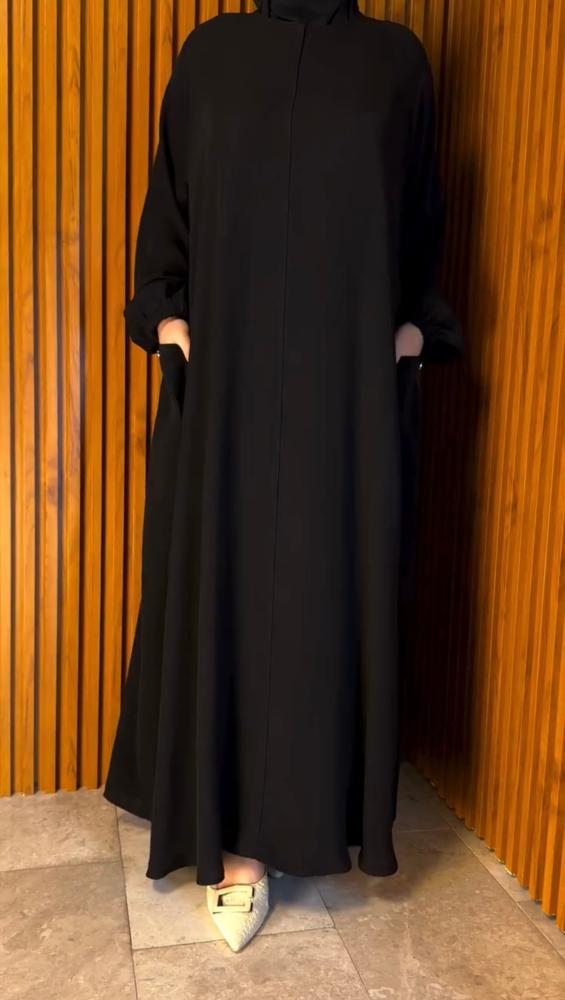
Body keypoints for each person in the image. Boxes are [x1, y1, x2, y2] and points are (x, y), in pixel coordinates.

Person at [103, 0, 463, 953]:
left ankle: (305, 822)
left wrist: (411, 333)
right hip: (225, 388)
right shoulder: (212, 55)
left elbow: (419, 218)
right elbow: (170, 209)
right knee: (222, 590)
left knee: (318, 600)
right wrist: (168, 323)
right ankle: (232, 850)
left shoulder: (394, 63)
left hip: (344, 396)